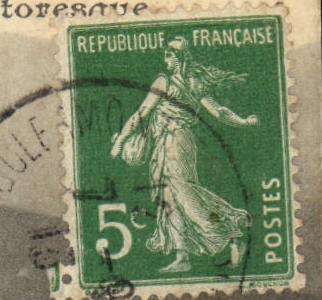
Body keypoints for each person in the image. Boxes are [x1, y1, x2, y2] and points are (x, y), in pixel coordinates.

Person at [110, 35, 259, 273]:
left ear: (176, 58)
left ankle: (227, 224)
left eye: (168, 55)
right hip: (166, 143)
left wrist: (120, 142)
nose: (165, 59)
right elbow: (218, 112)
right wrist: (242, 121)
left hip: (177, 142)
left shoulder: (166, 81)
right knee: (168, 198)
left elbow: (142, 113)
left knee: (183, 191)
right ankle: (182, 256)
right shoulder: (192, 83)